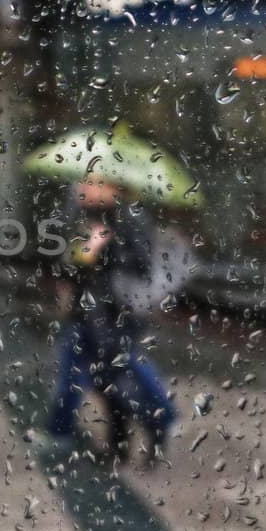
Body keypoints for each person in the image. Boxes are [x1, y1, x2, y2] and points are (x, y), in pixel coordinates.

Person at [46, 176, 176, 464]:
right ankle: (118, 445)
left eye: (92, 182)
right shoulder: (85, 217)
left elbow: (142, 266)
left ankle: (161, 420)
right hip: (86, 315)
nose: (83, 188)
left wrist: (107, 247)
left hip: (117, 318)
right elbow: (71, 265)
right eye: (82, 182)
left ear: (114, 187)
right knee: (103, 381)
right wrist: (86, 253)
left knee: (123, 376)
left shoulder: (133, 219)